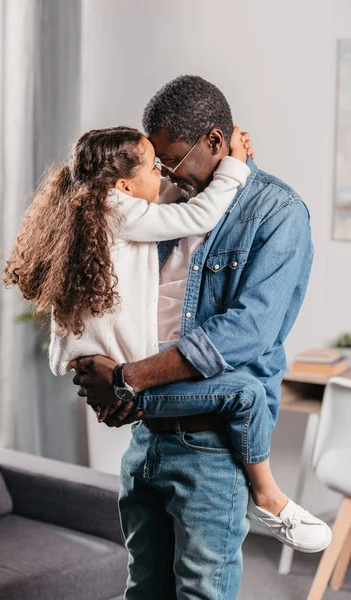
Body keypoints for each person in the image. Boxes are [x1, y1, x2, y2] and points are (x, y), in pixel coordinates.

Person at [70, 75, 331, 600]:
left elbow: (245, 332)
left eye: (171, 159)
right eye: (157, 163)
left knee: (201, 594)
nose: (163, 173)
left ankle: (268, 495)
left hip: (210, 445)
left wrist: (127, 379)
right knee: (143, 590)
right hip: (146, 431)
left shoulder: (277, 213)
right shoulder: (160, 204)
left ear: (215, 142)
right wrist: (101, 369)